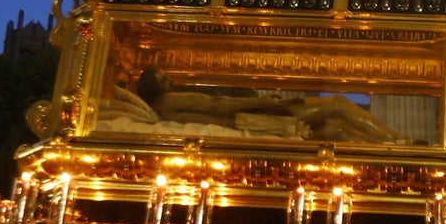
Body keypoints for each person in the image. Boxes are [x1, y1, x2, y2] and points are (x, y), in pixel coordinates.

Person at [136, 68, 406, 144]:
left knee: (336, 132)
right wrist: (263, 101)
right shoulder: (169, 101)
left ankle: (390, 146)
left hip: (249, 119)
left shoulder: (165, 106)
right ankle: (398, 144)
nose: (169, 77)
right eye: (162, 77)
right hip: (253, 119)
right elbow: (219, 105)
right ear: (155, 87)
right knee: (336, 104)